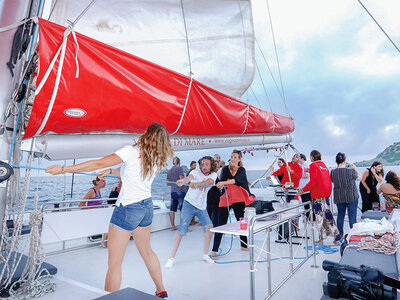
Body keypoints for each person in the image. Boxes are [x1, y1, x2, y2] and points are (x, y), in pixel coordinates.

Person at [46, 122, 172, 298]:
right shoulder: (156, 158)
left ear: (147, 134)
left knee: (114, 264)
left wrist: (63, 169)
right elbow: (132, 175)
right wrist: (112, 171)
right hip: (146, 207)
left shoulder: (131, 151)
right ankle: (161, 291)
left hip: (128, 208)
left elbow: (97, 162)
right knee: (147, 252)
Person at [165, 156, 217, 268]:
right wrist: (182, 181)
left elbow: (209, 182)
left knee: (209, 227)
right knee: (181, 230)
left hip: (201, 207)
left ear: (211, 166)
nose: (204, 166)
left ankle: (205, 254)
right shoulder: (195, 171)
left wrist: (197, 185)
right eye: (202, 164)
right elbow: (189, 177)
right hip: (189, 204)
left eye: (207, 164)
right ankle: (171, 258)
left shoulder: (214, 175)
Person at [211, 150, 252, 258]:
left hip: (239, 199)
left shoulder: (242, 170)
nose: (232, 159)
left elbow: (237, 180)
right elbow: (221, 181)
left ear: (239, 159)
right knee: (221, 225)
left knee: (241, 222)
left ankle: (244, 245)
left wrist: (223, 183)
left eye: (235, 157)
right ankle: (214, 250)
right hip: (226, 199)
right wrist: (220, 184)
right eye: (231, 157)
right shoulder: (225, 169)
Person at [298, 150, 340, 245]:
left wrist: (302, 190)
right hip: (326, 194)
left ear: (312, 157)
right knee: (328, 215)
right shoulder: (323, 165)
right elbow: (326, 179)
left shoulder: (313, 165)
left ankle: (321, 239)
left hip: (318, 195)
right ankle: (336, 237)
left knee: (319, 217)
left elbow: (313, 182)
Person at [330, 152, 360, 239]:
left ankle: (339, 236)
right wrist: (355, 168)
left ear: (336, 161)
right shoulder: (350, 171)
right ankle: (353, 236)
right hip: (352, 196)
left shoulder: (333, 172)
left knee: (340, 215)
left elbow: (332, 181)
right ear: (345, 160)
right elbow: (359, 178)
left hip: (339, 197)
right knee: (352, 217)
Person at [167, 157, 186, 231]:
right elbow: (181, 179)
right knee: (182, 209)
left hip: (173, 192)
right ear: (179, 162)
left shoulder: (169, 170)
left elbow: (168, 183)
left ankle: (173, 226)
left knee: (172, 209)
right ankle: (183, 227)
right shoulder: (180, 168)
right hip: (180, 191)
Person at [207, 155, 222, 227]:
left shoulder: (209, 174)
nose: (218, 168)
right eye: (217, 167)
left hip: (209, 196)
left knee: (210, 211)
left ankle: (208, 226)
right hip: (214, 196)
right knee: (215, 212)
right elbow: (219, 185)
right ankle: (215, 227)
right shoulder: (214, 175)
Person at [299, 154, 311, 219]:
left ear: (303, 159)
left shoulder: (306, 165)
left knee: (307, 203)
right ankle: (307, 218)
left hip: (306, 188)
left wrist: (298, 176)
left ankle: (310, 218)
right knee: (304, 204)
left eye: (299, 158)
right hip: (301, 188)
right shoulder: (300, 166)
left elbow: (307, 175)